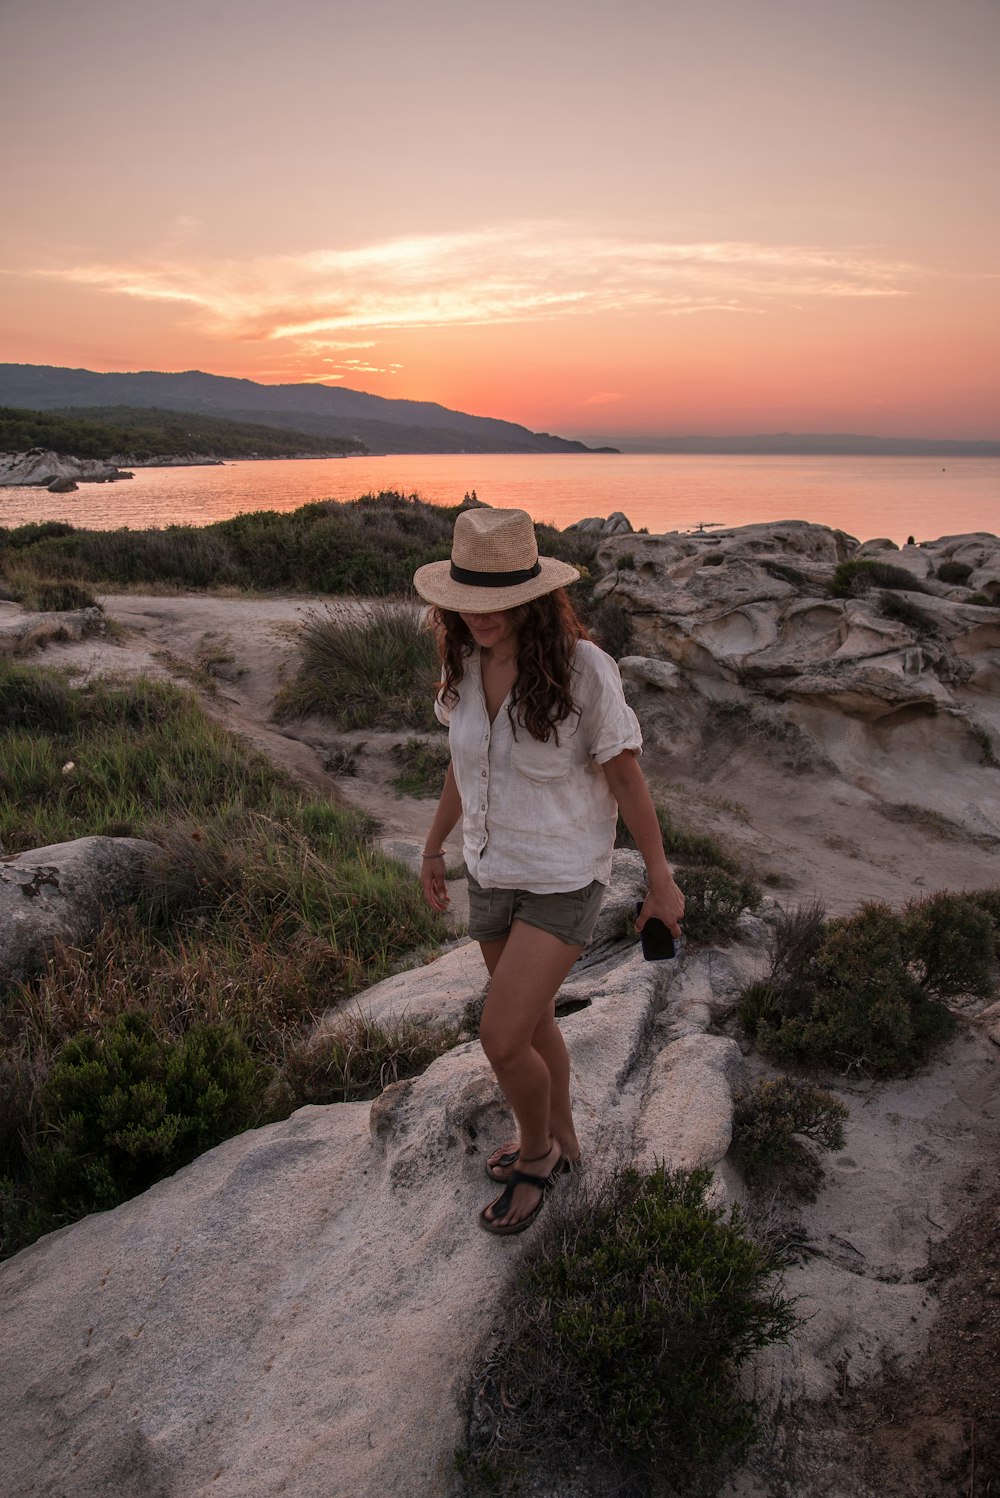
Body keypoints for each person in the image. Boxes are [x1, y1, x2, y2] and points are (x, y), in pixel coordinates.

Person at [413, 507, 684, 1236]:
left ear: (532, 596)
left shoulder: (583, 668)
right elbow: (462, 768)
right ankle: (563, 1139)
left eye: (498, 603)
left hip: (564, 877)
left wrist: (661, 880)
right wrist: (435, 845)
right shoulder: (464, 664)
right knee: (531, 1026)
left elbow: (627, 778)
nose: (482, 618)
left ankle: (537, 1157)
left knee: (500, 1039)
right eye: (468, 603)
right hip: (494, 871)